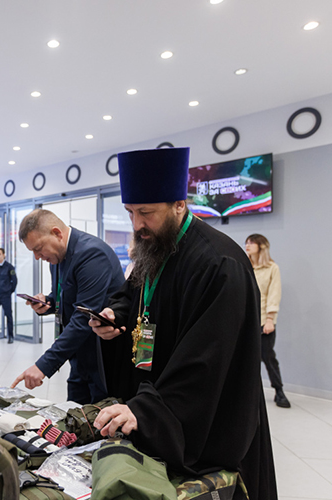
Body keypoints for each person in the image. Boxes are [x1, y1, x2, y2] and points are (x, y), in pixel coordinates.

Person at [91, 147, 277, 500]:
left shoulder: (219, 263)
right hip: (153, 401)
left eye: (146, 213)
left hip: (203, 423)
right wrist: (115, 315)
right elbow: (132, 294)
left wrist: (146, 411)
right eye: (130, 212)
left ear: (179, 204)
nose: (136, 225)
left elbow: (205, 362)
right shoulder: (156, 246)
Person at [11, 209, 125, 404]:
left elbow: (83, 318)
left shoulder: (91, 254)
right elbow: (64, 299)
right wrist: (48, 303)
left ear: (57, 233)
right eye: (33, 252)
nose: (38, 257)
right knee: (75, 413)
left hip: (103, 357)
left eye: (38, 248)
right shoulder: (56, 258)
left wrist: (43, 365)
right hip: (79, 354)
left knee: (101, 419)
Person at [246, 233, 289, 408]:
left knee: (268, 356)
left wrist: (270, 319)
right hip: (247, 320)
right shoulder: (244, 266)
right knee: (246, 359)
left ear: (261, 246)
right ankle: (248, 394)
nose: (247, 245)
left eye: (251, 243)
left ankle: (279, 391)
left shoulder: (272, 268)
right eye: (246, 242)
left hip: (264, 320)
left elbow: (274, 294)